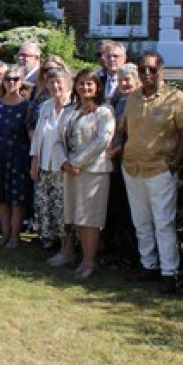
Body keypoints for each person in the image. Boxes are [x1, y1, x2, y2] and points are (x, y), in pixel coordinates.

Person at [117, 52, 183, 294]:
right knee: (141, 221)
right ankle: (148, 265)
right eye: (142, 70)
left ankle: (169, 273)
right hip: (133, 168)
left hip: (160, 169)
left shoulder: (176, 98)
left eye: (151, 69)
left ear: (161, 70)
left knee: (163, 222)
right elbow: (122, 129)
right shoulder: (132, 98)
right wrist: (119, 150)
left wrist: (176, 163)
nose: (147, 74)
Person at [60, 69, 116, 281]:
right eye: (81, 83)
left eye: (90, 84)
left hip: (93, 171)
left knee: (89, 219)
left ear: (97, 87)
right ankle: (79, 257)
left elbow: (102, 141)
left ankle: (89, 262)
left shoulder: (104, 111)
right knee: (76, 216)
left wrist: (77, 162)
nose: (85, 87)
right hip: (71, 171)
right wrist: (65, 162)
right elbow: (59, 138)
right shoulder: (71, 110)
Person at [0, 65, 31, 248]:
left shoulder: (26, 106)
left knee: (16, 199)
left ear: (21, 82)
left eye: (15, 79)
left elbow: (31, 134)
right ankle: (5, 234)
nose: (11, 82)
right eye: (8, 79)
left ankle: (15, 236)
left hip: (19, 157)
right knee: (1, 198)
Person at [31, 68, 74, 263]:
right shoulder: (46, 106)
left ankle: (68, 250)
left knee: (64, 210)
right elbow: (38, 136)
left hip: (64, 167)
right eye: (51, 83)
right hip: (45, 165)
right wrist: (35, 162)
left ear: (68, 85)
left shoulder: (73, 107)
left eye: (59, 83)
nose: (55, 86)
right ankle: (56, 245)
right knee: (49, 207)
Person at [101, 63, 140, 267]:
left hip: (127, 161)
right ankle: (116, 250)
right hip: (113, 162)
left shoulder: (137, 103)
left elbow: (131, 134)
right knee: (115, 208)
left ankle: (132, 255)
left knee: (128, 210)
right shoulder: (117, 101)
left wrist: (117, 150)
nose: (124, 84)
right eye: (121, 80)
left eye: (128, 80)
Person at [97, 41, 127, 105]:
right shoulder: (97, 79)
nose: (111, 59)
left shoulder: (130, 81)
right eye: (108, 56)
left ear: (124, 58)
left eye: (115, 56)